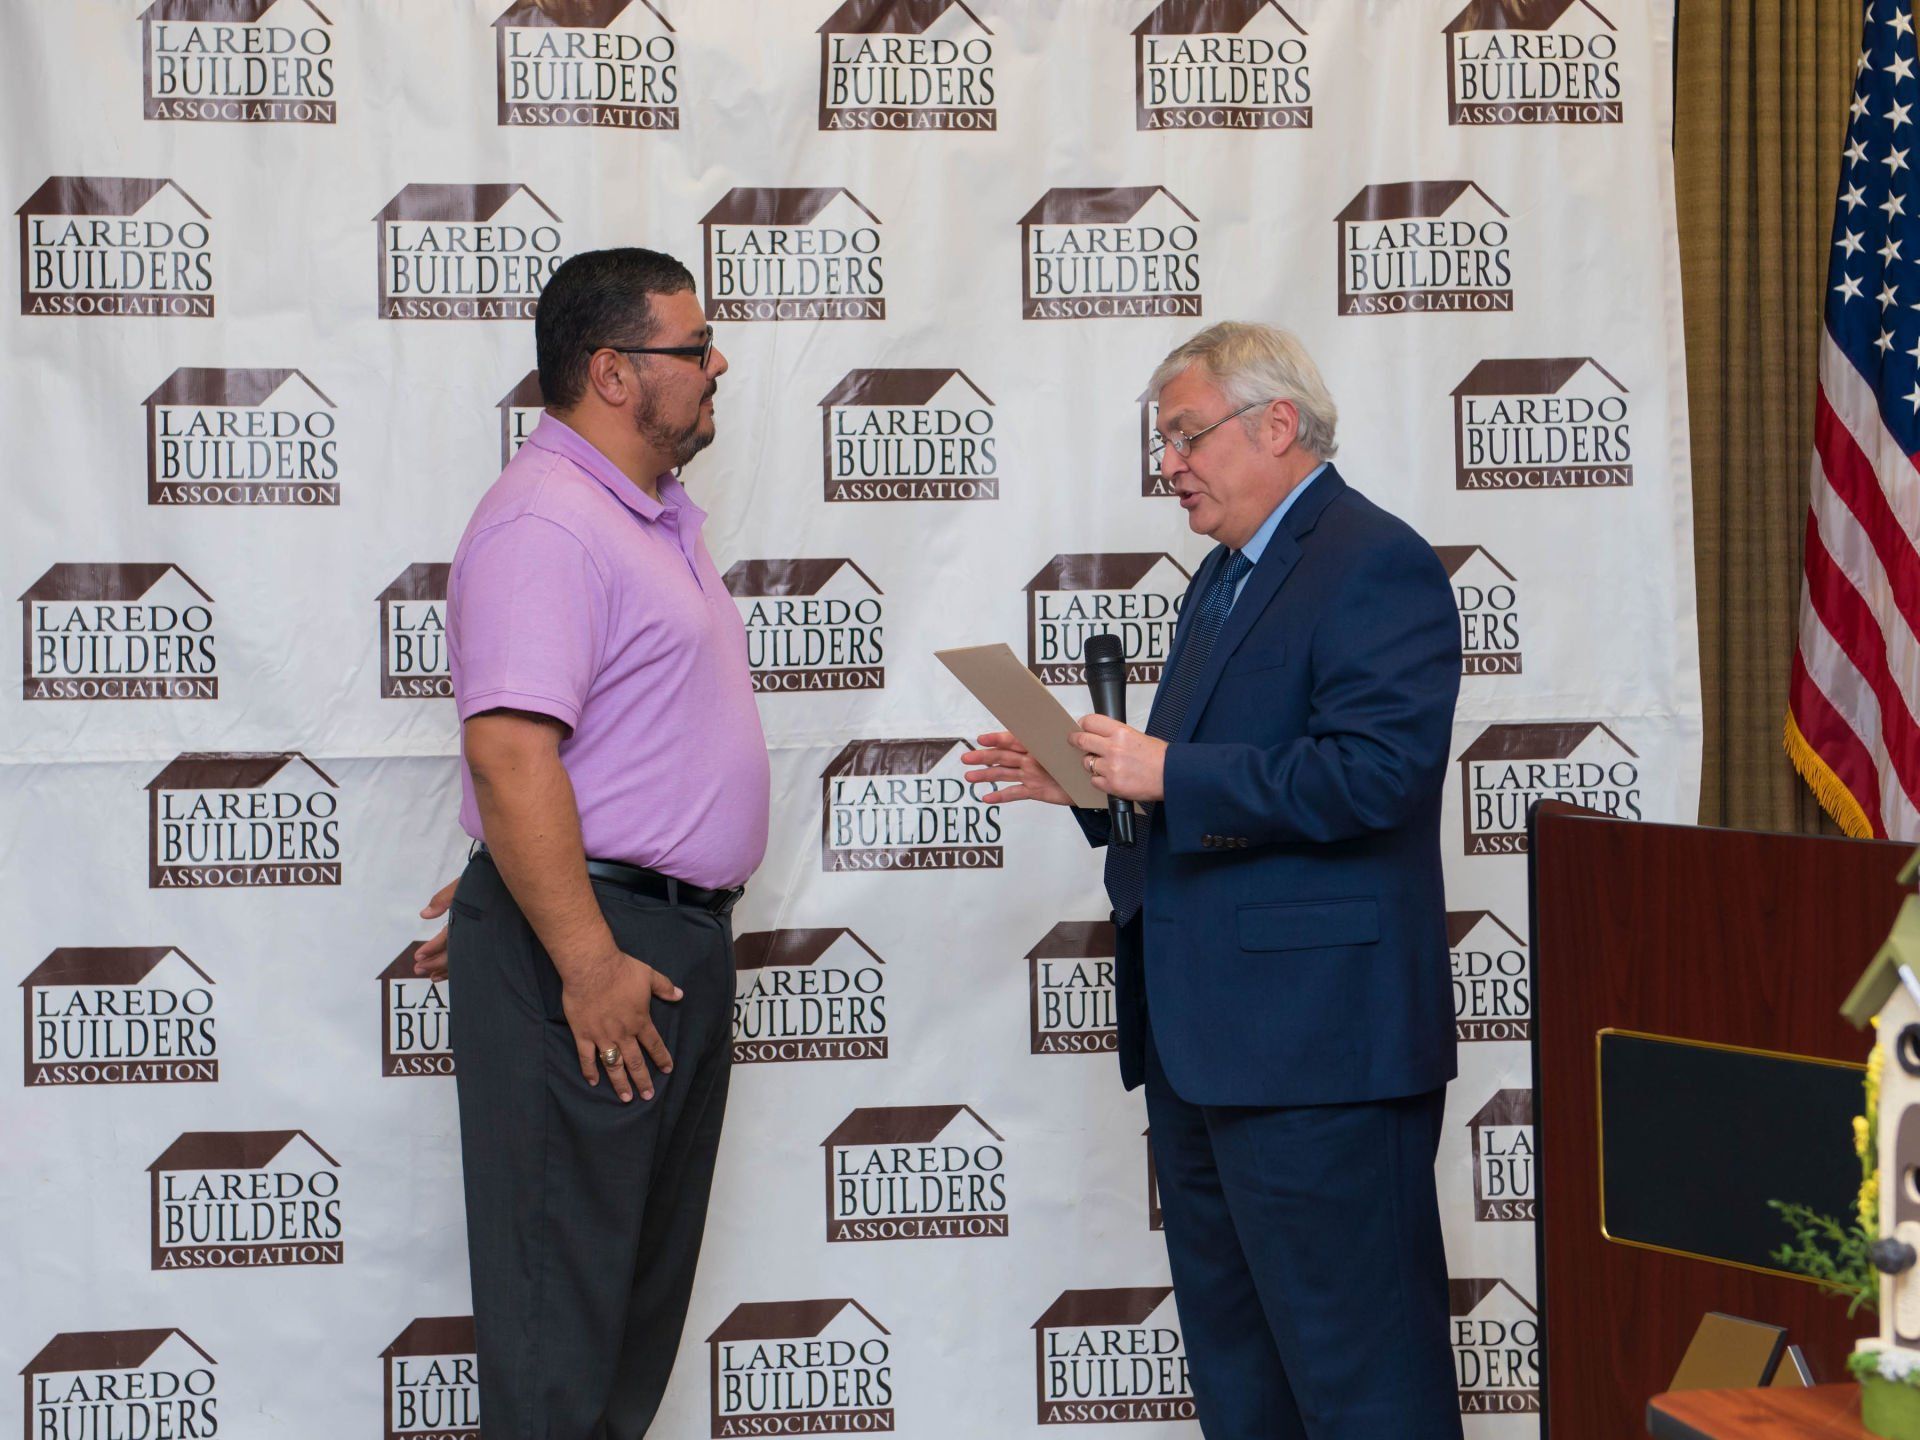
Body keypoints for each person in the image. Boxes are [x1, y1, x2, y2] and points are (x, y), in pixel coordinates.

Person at [963, 322, 1464, 1440]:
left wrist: (1165, 771)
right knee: (1244, 1392)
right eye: (1164, 443)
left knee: (1367, 1389)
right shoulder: (1224, 576)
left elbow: (1378, 775)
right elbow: (1209, 788)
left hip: (1319, 1061)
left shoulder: (1373, 560)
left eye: (1187, 436)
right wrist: (1090, 789)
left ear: (1277, 424)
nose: (1169, 465)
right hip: (1204, 1056)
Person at [420, 246, 767, 1440]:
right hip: (599, 957)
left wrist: (528, 892)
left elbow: (611, 742)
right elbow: (510, 754)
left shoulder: (649, 517)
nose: (718, 365)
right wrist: (573, 946)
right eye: (695, 346)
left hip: (644, 939)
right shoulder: (549, 522)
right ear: (614, 372)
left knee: (622, 1335)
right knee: (559, 1342)